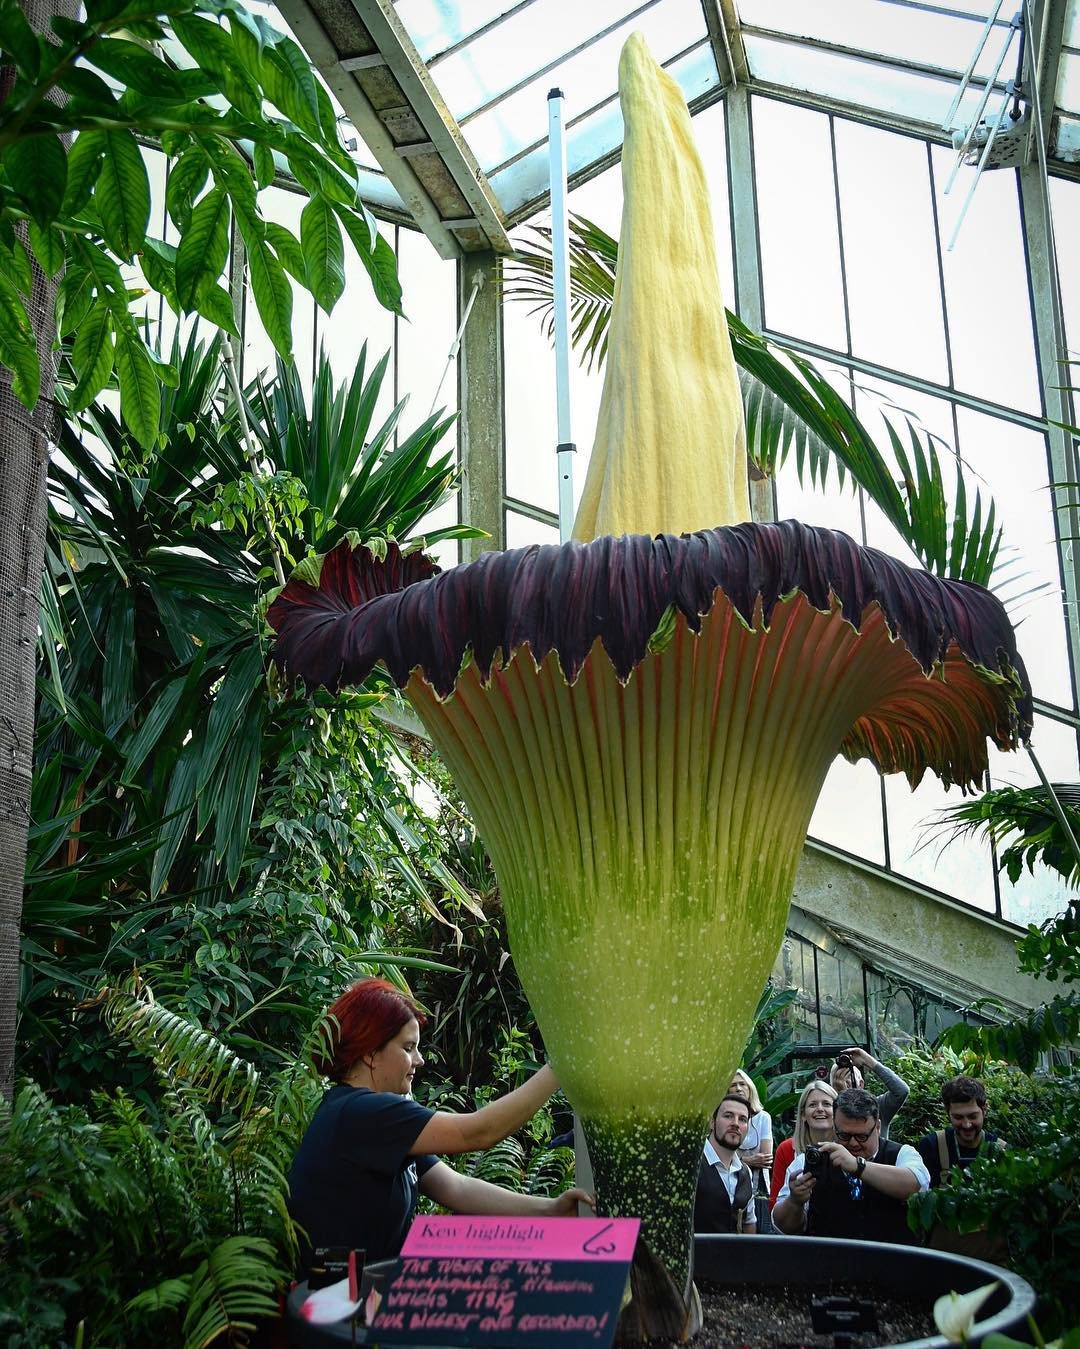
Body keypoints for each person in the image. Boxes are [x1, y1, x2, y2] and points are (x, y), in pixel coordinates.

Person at [288, 978, 591, 1271]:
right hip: (342, 1306)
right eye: (408, 1048)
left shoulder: (362, 1115)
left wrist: (550, 1209)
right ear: (369, 1054)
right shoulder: (362, 1112)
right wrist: (561, 1065)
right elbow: (479, 1132)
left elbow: (457, 1187)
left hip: (362, 1295)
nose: (419, 1060)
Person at [772, 1088, 929, 1244]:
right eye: (844, 1136)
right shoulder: (808, 1161)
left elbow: (917, 1186)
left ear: (878, 1127)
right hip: (828, 1263)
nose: (853, 1143)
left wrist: (858, 1166)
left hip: (893, 1262)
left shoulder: (902, 1154)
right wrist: (795, 1201)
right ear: (835, 1128)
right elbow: (783, 1228)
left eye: (862, 1136)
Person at [915, 1075, 1006, 1260]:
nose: (966, 1125)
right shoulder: (932, 1146)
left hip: (991, 1263)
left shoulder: (1000, 1150)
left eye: (973, 1116)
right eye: (958, 1117)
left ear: (985, 1109)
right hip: (944, 1261)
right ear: (947, 1112)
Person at [769, 1079, 837, 1211]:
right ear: (803, 1115)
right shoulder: (787, 1149)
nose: (820, 1109)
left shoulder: (848, 1147)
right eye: (812, 1105)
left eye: (827, 1104)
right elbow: (774, 1204)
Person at [694, 1096, 757, 1234]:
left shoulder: (745, 1172)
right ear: (712, 1122)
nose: (735, 1123)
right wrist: (633, 1253)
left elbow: (749, 1223)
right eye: (728, 1116)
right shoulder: (690, 1163)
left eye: (742, 1119)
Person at [826, 1046, 909, 1139]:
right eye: (838, 1085)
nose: (846, 1092)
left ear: (861, 1084)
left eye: (848, 1085)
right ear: (831, 1087)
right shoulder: (826, 1113)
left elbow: (901, 1091)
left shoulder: (876, 1107)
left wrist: (868, 1060)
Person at [727, 1069, 773, 1230]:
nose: (739, 1089)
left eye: (742, 1084)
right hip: (730, 1182)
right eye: (733, 1085)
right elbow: (722, 1156)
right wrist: (749, 1160)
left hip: (759, 1185)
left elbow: (766, 1158)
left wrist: (737, 1158)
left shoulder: (763, 1118)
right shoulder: (721, 1118)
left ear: (750, 1088)